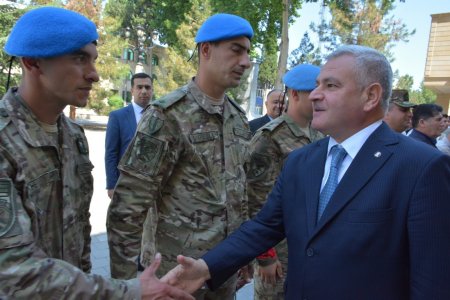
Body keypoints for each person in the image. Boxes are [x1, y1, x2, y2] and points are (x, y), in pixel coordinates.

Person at [162, 45, 450, 299]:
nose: (314, 95)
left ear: (371, 96)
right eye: (316, 85)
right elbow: (264, 227)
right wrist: (206, 268)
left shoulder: (420, 167)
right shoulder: (303, 161)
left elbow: (432, 278)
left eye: (330, 86)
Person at [0, 7, 192, 300]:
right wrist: (128, 292)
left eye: (93, 60)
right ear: (32, 62)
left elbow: (78, 238)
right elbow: (14, 271)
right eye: (79, 59)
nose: (94, 74)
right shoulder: (4, 141)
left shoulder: (73, 136)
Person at [106, 13, 253, 299]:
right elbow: (127, 209)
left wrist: (243, 254)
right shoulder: (167, 116)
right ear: (206, 50)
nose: (245, 62)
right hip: (174, 278)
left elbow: (239, 193)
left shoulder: (237, 118)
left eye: (247, 53)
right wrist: (125, 289)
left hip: (222, 272)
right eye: (236, 50)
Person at [247, 64, 322, 299]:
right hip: (279, 250)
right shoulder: (270, 138)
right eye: (313, 91)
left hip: (309, 247)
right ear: (295, 94)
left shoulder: (319, 134)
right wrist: (265, 256)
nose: (320, 97)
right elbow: (254, 200)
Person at [105, 72, 152, 199]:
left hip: (151, 186)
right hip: (125, 185)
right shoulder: (117, 116)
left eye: (147, 87)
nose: (143, 91)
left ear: (152, 90)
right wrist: (111, 185)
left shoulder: (160, 115)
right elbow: (111, 153)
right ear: (132, 90)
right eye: (139, 87)